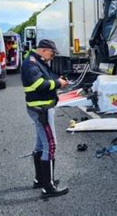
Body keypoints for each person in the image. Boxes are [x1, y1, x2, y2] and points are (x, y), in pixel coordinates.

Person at [21, 39, 69, 198]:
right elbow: (39, 84)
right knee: (51, 145)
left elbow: (45, 79)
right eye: (51, 53)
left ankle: (40, 179)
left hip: (40, 108)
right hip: (41, 110)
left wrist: (56, 82)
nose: (52, 56)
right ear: (43, 50)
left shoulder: (36, 61)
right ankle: (48, 187)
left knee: (41, 145)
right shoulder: (31, 63)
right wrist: (58, 83)